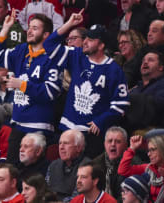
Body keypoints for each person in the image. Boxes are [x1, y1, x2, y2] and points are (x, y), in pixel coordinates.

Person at [43, 11, 130, 159]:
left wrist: (101, 120)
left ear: (101, 45)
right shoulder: (77, 55)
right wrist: (69, 23)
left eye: (91, 39)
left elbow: (121, 104)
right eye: (86, 38)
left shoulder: (114, 70)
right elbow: (49, 44)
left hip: (90, 133)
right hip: (67, 128)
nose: (85, 42)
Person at [0, 11, 62, 165]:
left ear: (45, 35)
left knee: (30, 176)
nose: (29, 31)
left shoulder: (53, 57)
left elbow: (50, 92)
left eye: (35, 28)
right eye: (29, 27)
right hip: (17, 123)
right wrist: (5, 28)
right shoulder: (22, 50)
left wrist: (21, 85)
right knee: (11, 170)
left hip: (38, 126)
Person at [118, 135, 164, 202]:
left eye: (152, 150)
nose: (148, 154)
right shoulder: (148, 168)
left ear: (163, 149)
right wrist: (132, 148)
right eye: (148, 150)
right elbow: (123, 170)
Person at [125, 50, 164, 132]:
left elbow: (157, 104)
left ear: (160, 67)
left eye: (150, 60)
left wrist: (128, 98)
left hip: (151, 128)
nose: (145, 63)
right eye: (143, 61)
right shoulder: (136, 88)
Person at [93, 126, 141, 201]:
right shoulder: (95, 164)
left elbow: (130, 195)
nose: (113, 144)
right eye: (109, 141)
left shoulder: (134, 163)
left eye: (118, 141)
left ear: (125, 145)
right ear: (104, 144)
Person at [46, 129, 90, 202]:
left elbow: (78, 198)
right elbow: (45, 192)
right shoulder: (53, 165)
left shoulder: (88, 167)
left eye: (66, 143)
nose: (61, 147)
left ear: (78, 148)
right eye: (60, 143)